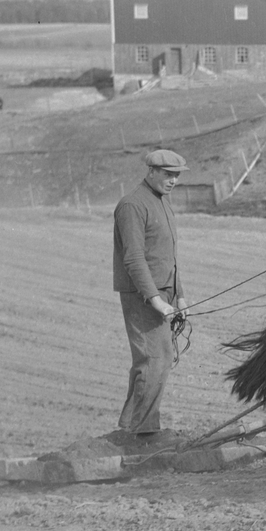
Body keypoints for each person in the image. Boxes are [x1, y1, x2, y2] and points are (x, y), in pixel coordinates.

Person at [112, 149, 190, 443]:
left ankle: (133, 428)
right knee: (152, 360)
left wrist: (179, 296)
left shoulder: (163, 202)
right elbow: (133, 259)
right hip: (142, 296)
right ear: (152, 171)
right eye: (168, 174)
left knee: (160, 359)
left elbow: (168, 256)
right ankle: (140, 434)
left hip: (164, 293)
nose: (173, 181)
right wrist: (156, 301)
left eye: (177, 175)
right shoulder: (132, 205)